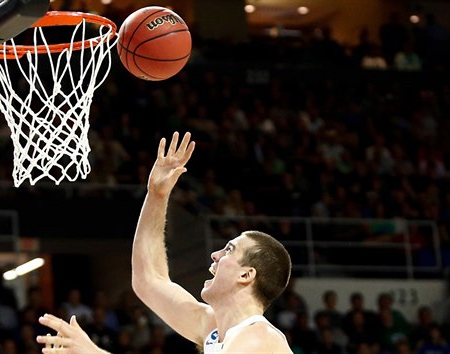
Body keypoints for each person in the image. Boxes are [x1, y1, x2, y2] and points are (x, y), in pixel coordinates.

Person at [36, 132, 293, 353]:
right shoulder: (214, 328)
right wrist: (157, 195)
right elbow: (149, 280)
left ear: (246, 274)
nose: (215, 254)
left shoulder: (259, 339)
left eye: (228, 249)